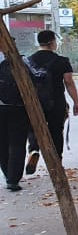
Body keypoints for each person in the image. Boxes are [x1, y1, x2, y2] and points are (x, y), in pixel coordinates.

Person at [25, 30, 78, 175]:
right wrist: (76, 102)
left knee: (35, 128)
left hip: (35, 102)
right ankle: (57, 164)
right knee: (56, 131)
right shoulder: (62, 61)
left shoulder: (29, 61)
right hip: (56, 102)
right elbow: (69, 82)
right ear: (52, 43)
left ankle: (34, 150)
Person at [0, 52, 33, 192]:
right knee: (17, 144)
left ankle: (8, 174)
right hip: (19, 108)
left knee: (2, 144)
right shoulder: (22, 62)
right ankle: (13, 179)